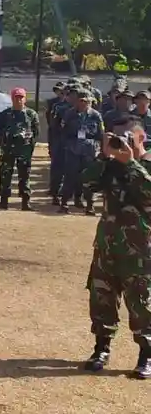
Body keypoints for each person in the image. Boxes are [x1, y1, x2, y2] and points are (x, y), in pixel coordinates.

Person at [80, 117, 151, 378]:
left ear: (141, 138)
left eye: (127, 137)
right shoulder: (109, 166)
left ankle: (146, 355)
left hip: (140, 250)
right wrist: (103, 156)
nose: (122, 142)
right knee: (102, 299)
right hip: (107, 245)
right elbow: (86, 184)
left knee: (141, 304)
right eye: (117, 137)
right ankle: (101, 349)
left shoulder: (146, 165)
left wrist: (130, 162)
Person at [0, 87, 39, 211]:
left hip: (24, 150)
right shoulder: (5, 114)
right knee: (5, 174)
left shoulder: (31, 114)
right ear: (12, 99)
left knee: (24, 175)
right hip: (7, 150)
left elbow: (36, 132)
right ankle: (3, 201)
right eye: (16, 98)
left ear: (25, 99)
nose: (19, 100)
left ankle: (25, 202)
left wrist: (29, 146)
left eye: (21, 98)